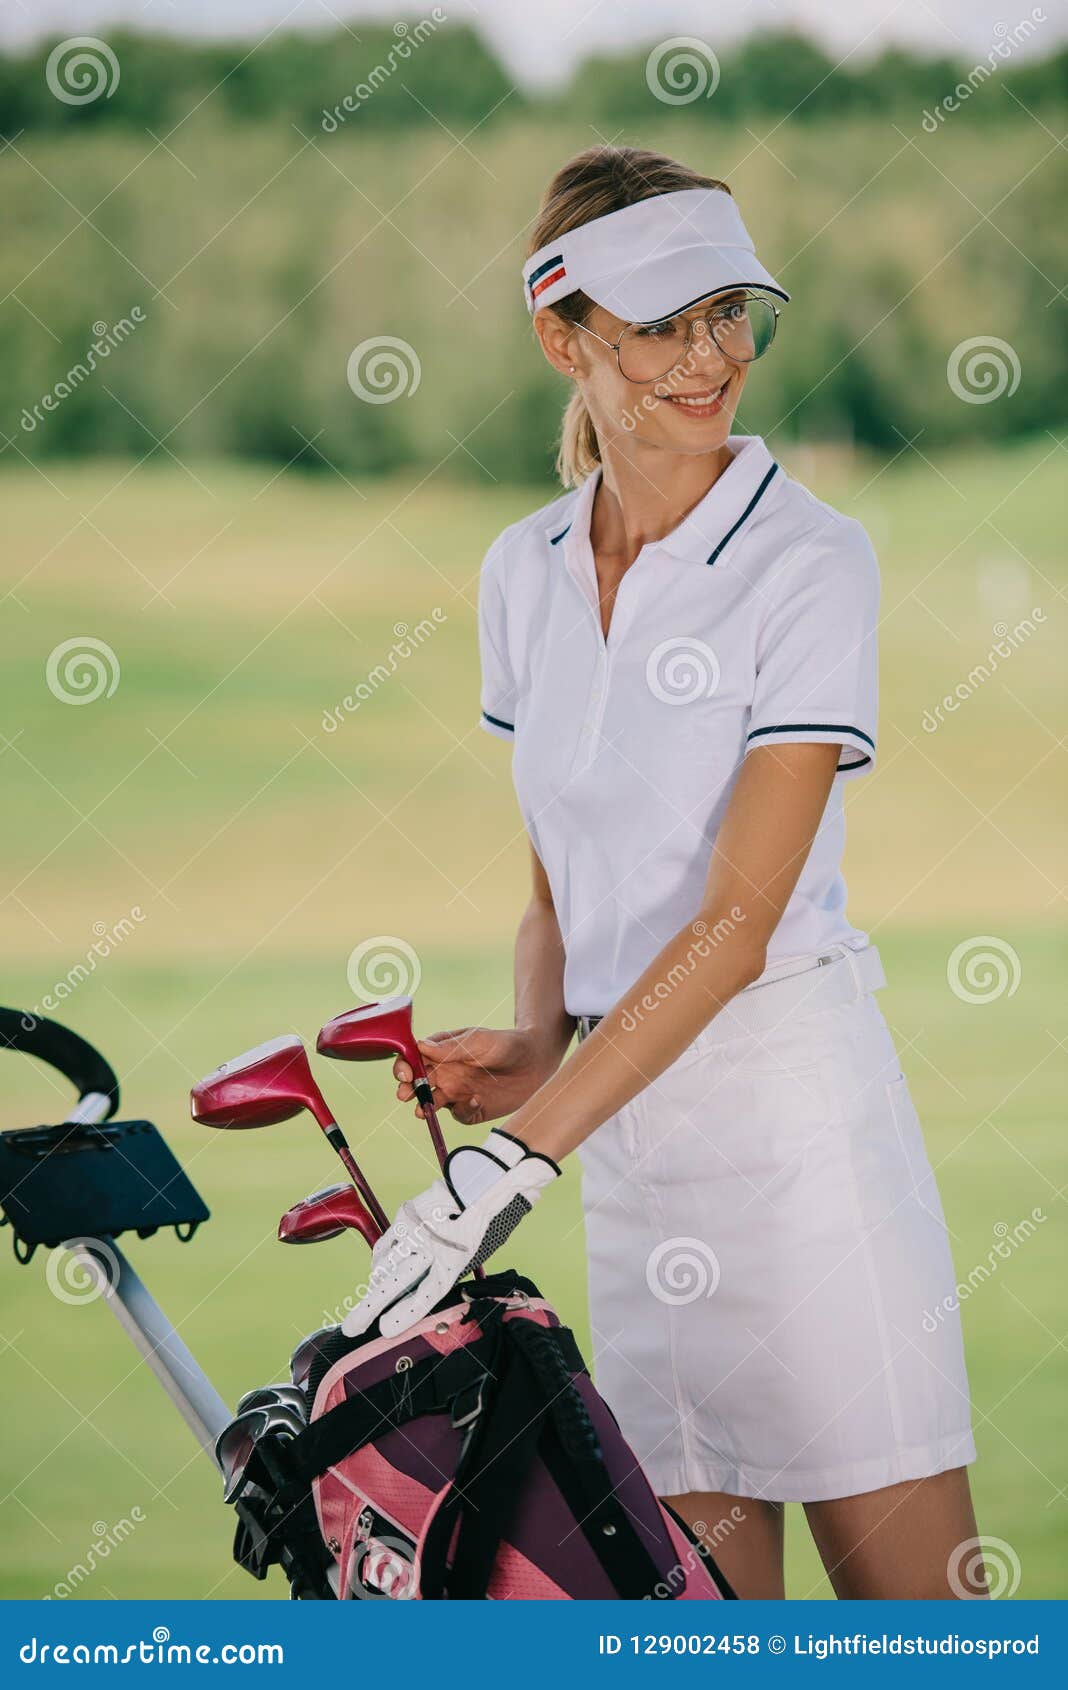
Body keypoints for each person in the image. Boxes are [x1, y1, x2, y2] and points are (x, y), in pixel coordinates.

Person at [343, 146, 981, 1600]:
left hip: (799, 1142)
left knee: (922, 1639)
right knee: (698, 1638)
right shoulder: (525, 570)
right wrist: (533, 1035)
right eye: (658, 326)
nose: (709, 360)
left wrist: (521, 1152)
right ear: (562, 335)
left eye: (729, 314)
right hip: (633, 1166)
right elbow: (561, 872)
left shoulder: (811, 562)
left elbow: (740, 918)